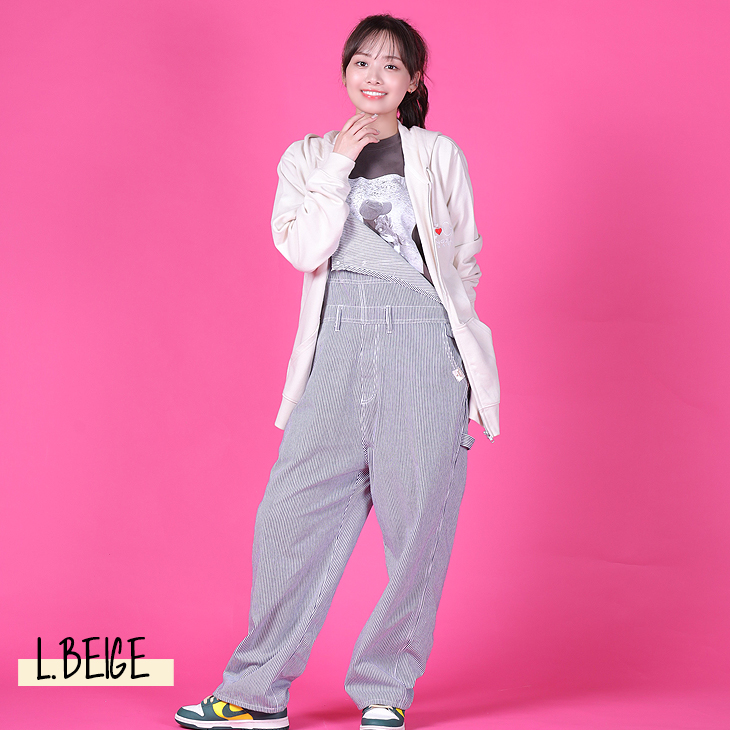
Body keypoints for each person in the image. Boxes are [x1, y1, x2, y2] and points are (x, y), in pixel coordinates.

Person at [174, 13, 500, 730]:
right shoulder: (305, 157)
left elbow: (463, 256)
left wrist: (454, 349)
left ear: (412, 81)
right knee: (289, 516)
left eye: (391, 65)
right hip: (338, 341)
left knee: (417, 525)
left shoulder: (438, 153)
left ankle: (386, 688)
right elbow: (303, 249)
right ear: (345, 72)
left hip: (423, 342)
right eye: (361, 63)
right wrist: (335, 167)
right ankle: (255, 693)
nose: (374, 77)